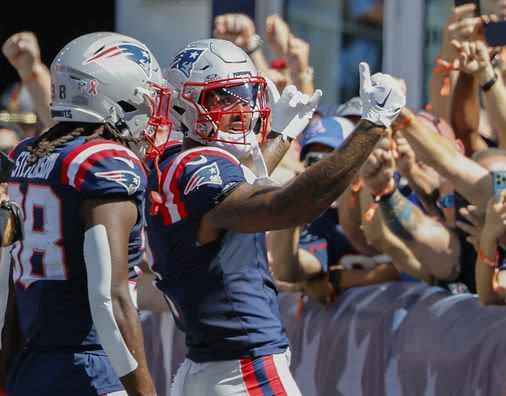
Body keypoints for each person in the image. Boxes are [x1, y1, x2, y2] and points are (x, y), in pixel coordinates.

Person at [144, 37, 405, 395]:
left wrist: (282, 135)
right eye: (222, 97)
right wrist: (371, 127)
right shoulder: (199, 170)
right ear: (182, 105)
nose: (240, 109)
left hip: (207, 367)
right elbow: (284, 206)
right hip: (242, 369)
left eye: (244, 95)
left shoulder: (176, 164)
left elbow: (237, 184)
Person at [0, 31, 171, 396]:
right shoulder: (104, 162)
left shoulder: (30, 157)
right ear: (115, 93)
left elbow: (18, 290)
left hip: (32, 365)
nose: (151, 111)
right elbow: (109, 296)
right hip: (91, 371)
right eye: (145, 97)